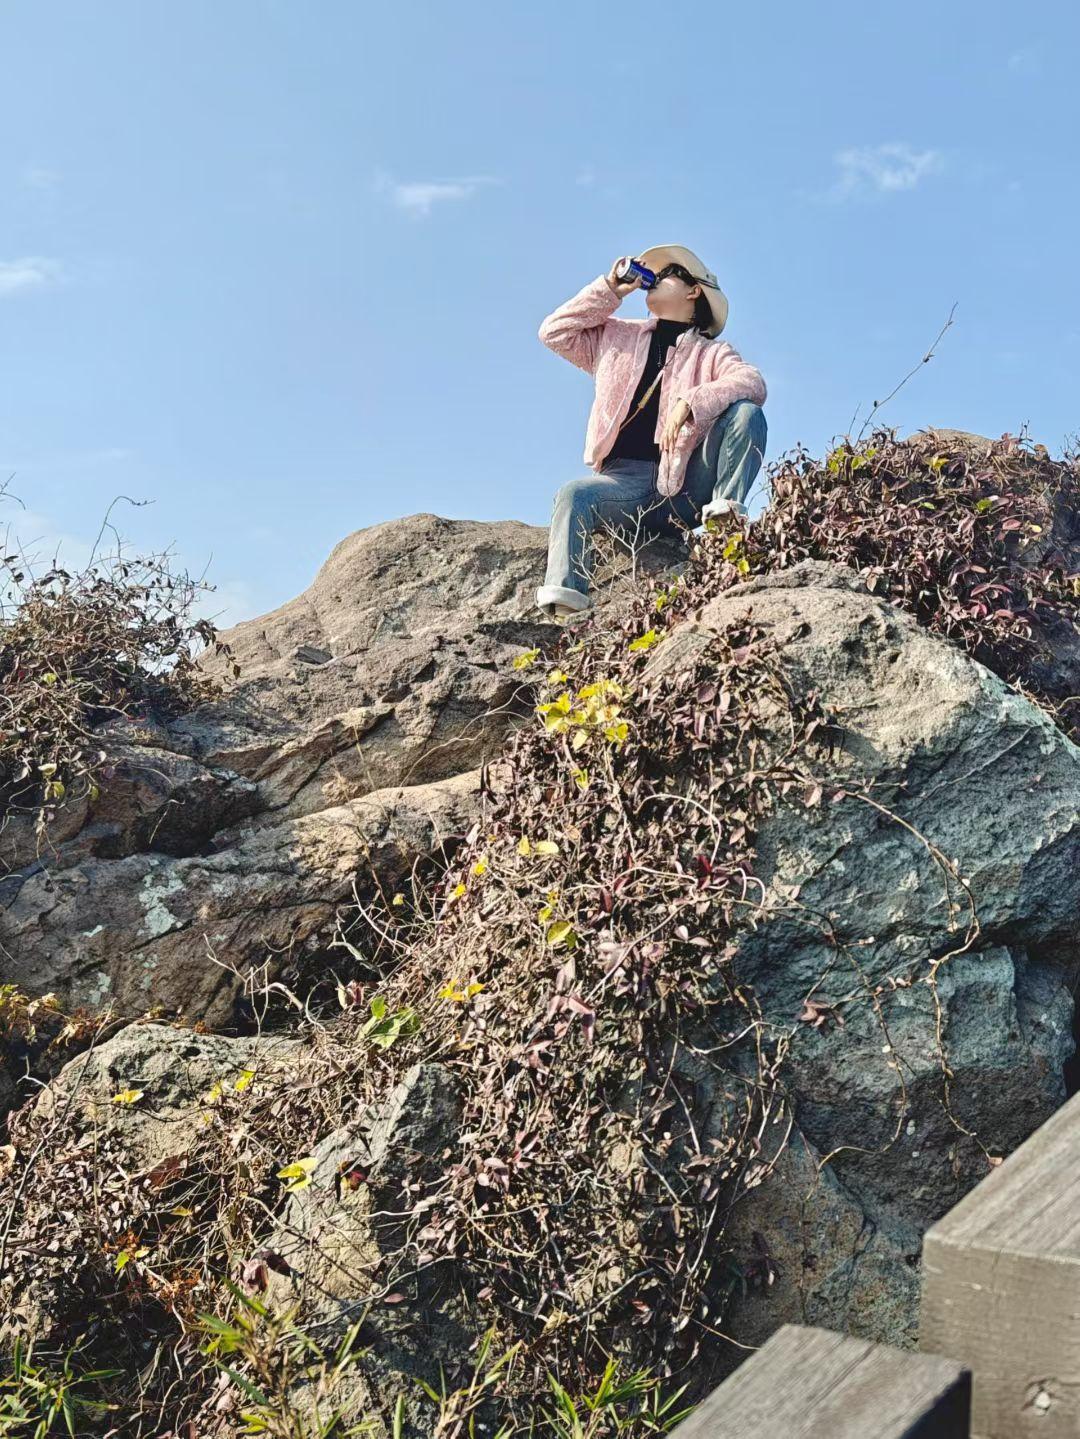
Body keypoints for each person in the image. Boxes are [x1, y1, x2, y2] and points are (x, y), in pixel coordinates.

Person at [535, 245, 768, 620]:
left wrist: (692, 400)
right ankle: (567, 603)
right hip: (624, 484)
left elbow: (752, 382)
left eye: (669, 272)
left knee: (746, 412)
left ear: (695, 291)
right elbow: (554, 332)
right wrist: (610, 288)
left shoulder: (712, 353)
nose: (654, 278)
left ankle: (726, 517)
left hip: (685, 484)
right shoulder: (615, 337)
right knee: (573, 494)